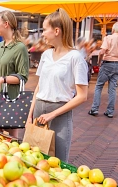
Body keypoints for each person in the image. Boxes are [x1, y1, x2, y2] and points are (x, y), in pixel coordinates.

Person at [26, 8, 88, 162]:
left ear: (56, 31)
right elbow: (39, 87)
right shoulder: (46, 55)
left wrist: (52, 115)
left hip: (59, 114)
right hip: (39, 111)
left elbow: (82, 96)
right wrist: (29, 115)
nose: (42, 34)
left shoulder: (75, 58)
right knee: (34, 159)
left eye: (45, 29)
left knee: (58, 162)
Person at [88, 22, 118, 118]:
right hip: (117, 66)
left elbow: (102, 51)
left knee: (99, 86)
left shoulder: (108, 38)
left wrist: (99, 62)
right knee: (112, 89)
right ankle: (110, 111)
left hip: (107, 64)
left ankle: (94, 109)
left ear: (113, 29)